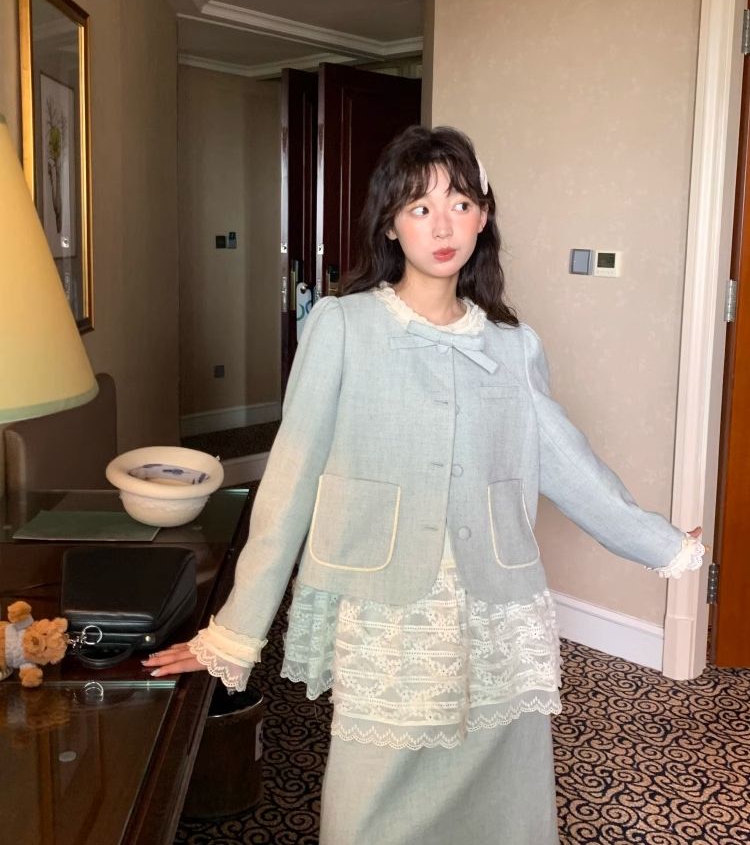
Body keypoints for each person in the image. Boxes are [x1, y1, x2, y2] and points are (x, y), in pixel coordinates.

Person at [145, 126, 703, 844]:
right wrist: (232, 633)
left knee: (502, 782)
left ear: (483, 217)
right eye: (420, 208)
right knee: (370, 798)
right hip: (386, 598)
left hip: (495, 597)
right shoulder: (342, 326)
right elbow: (289, 483)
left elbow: (569, 463)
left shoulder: (512, 344)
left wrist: (663, 545)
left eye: (461, 204)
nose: (443, 227)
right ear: (390, 224)